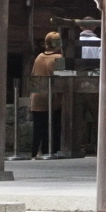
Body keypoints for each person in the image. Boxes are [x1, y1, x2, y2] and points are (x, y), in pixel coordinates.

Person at [28, 31, 64, 159]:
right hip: (52, 99)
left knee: (38, 128)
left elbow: (33, 76)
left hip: (37, 97)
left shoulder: (39, 57)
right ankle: (51, 150)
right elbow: (62, 79)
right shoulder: (59, 58)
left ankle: (34, 152)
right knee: (53, 127)